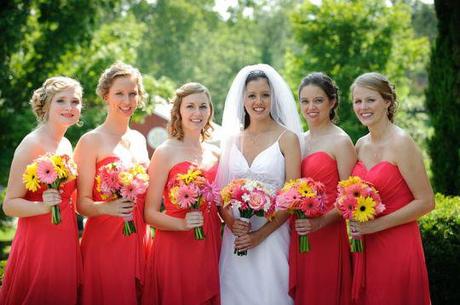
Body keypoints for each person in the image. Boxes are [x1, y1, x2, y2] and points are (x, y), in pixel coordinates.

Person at [217, 64, 303, 305]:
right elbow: (220, 194)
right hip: (236, 238)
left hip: (272, 236)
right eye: (252, 95)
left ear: (273, 98)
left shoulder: (287, 139)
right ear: (242, 99)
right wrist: (233, 223)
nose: (259, 101)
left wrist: (260, 235)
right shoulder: (232, 140)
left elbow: (292, 197)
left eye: (265, 95)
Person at [349, 72, 433, 305]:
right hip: (365, 245)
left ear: (387, 101)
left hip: (398, 245)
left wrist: (376, 225)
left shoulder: (402, 142)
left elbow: (426, 202)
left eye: (370, 100)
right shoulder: (360, 144)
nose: (363, 107)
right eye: (358, 101)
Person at [0, 76, 83, 304]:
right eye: (61, 101)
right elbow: (9, 205)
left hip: (65, 236)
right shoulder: (31, 144)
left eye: (75, 102)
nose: (69, 107)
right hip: (39, 241)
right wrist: (43, 206)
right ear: (46, 105)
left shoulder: (66, 145)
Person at [74, 62, 150, 305]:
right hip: (105, 242)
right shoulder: (90, 141)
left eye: (133, 93)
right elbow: (80, 204)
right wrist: (107, 208)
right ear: (106, 95)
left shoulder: (138, 139)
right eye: (119, 93)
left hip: (139, 235)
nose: (127, 100)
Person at [142, 82, 221, 305]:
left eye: (203, 107)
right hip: (175, 245)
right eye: (190, 106)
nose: (197, 113)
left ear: (210, 111)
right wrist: (182, 224)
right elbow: (149, 213)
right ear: (179, 111)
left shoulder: (216, 153)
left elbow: (219, 201)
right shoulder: (165, 152)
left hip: (209, 240)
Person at [289, 72, 354, 305]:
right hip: (299, 232)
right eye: (305, 101)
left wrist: (319, 222)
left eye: (318, 100)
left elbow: (349, 199)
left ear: (332, 102)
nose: (310, 107)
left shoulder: (341, 141)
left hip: (327, 234)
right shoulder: (299, 140)